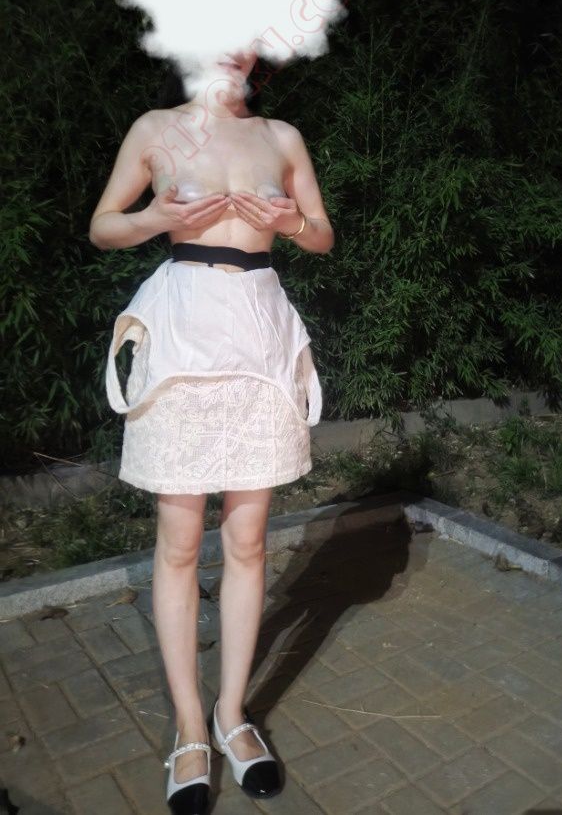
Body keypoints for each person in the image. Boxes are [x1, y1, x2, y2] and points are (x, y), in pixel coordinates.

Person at [89, 50, 334, 812]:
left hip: (258, 330)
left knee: (250, 538)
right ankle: (190, 729)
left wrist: (292, 222)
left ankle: (232, 714)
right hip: (182, 330)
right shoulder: (156, 129)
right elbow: (103, 227)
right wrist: (154, 219)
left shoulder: (281, 136)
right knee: (179, 539)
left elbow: (322, 235)